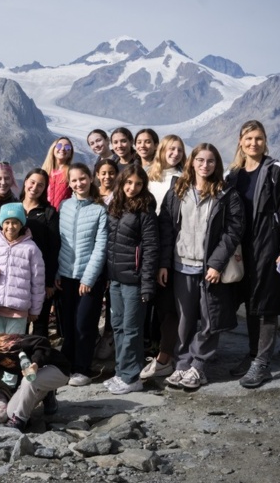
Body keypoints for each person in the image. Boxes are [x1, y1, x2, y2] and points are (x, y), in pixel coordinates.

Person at [159, 143, 244, 390]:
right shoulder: (177, 190)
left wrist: (217, 264)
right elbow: (165, 226)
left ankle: (199, 366)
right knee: (184, 319)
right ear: (192, 162)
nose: (204, 165)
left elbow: (233, 231)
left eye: (210, 161)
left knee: (209, 318)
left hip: (209, 268)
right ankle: (183, 363)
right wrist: (164, 263)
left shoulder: (226, 194)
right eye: (200, 160)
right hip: (181, 264)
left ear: (217, 164)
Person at [225, 120, 280, 388]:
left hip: (269, 248)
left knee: (267, 304)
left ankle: (263, 363)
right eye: (248, 138)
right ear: (240, 142)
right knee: (251, 302)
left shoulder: (275, 170)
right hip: (242, 250)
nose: (253, 143)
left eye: (258, 138)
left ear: (265, 141)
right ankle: (253, 354)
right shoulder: (233, 174)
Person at [103, 165, 158, 394]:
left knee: (132, 328)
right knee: (118, 326)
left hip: (134, 281)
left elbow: (151, 249)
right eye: (128, 183)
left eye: (137, 184)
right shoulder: (115, 207)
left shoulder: (145, 211)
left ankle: (132, 376)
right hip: (115, 279)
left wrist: (147, 284)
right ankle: (121, 372)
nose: (132, 188)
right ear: (121, 183)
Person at [0, 323, 70, 431]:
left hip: (57, 368)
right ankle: (47, 393)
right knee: (11, 412)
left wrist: (36, 363)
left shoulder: (7, 343)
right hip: (36, 377)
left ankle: (20, 421)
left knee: (29, 381)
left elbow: (42, 341)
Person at [57, 162, 109, 386]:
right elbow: (62, 242)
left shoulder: (100, 209)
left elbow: (101, 247)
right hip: (65, 276)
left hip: (89, 278)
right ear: (69, 183)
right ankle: (67, 366)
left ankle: (83, 369)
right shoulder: (64, 206)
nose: (79, 183)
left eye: (83, 178)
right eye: (74, 180)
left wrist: (89, 278)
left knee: (84, 324)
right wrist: (58, 272)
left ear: (91, 178)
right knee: (68, 325)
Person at [141, 134, 186, 381]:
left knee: (168, 304)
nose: (175, 153)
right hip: (148, 243)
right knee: (152, 302)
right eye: (171, 148)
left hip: (170, 245)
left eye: (179, 149)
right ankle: (154, 349)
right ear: (162, 150)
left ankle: (166, 354)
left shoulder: (183, 179)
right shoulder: (149, 176)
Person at [0, 203, 45, 335]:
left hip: (19, 311)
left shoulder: (31, 248)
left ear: (21, 224)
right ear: (1, 223)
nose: (10, 227)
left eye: (15, 222)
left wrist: (35, 309)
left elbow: (38, 282)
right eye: (7, 222)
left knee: (14, 347)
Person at [19, 168, 61, 339]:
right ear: (25, 182)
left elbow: (54, 248)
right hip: (18, 277)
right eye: (32, 182)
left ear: (45, 189)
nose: (35, 187)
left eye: (40, 185)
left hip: (40, 278)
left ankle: (39, 362)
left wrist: (49, 282)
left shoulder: (49, 212)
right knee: (18, 326)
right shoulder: (13, 207)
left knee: (40, 326)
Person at [41, 137, 74, 210]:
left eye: (67, 147)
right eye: (59, 146)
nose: (62, 149)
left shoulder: (72, 173)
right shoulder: (44, 172)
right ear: (53, 149)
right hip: (44, 216)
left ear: (71, 153)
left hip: (63, 216)